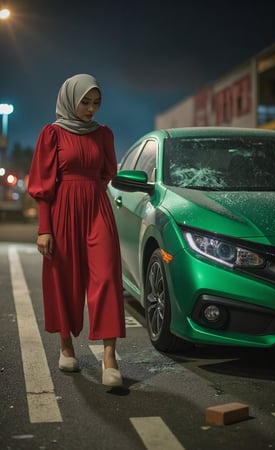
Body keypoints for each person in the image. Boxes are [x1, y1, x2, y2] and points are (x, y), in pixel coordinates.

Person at [28, 73, 126, 387]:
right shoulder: (52, 134)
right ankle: (66, 346)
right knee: (64, 279)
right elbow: (43, 183)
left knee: (107, 277)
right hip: (61, 210)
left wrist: (91, 193)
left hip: (97, 208)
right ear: (70, 99)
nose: (91, 108)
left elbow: (107, 171)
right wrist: (45, 228)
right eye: (85, 101)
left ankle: (109, 358)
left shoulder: (103, 134)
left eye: (96, 102)